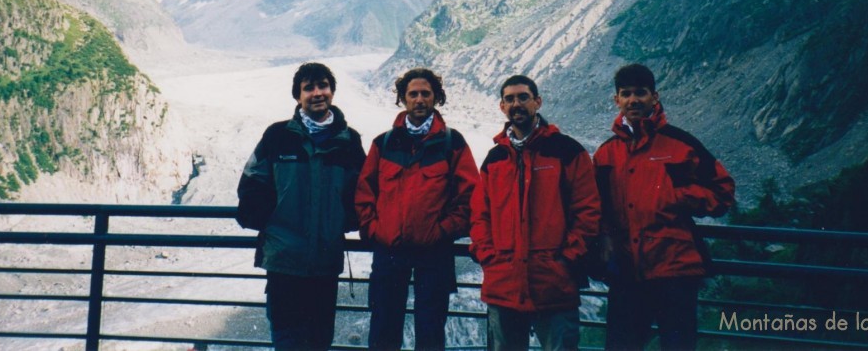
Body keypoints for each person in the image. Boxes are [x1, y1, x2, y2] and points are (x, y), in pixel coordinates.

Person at [592, 63, 735, 351]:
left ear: (654, 97)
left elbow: (723, 193)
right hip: (628, 271)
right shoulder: (606, 153)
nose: (634, 100)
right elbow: (597, 207)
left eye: (641, 93)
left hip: (676, 270)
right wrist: (604, 237)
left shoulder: (681, 144)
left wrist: (678, 196)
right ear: (616, 100)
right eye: (626, 93)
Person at [235, 62, 366, 351]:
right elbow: (252, 183)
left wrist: (341, 222)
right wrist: (272, 223)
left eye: (323, 85)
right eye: (309, 88)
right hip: (284, 260)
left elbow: (363, 191)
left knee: (319, 340)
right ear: (298, 97)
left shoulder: (349, 141)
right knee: (287, 339)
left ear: (332, 92)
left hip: (325, 260)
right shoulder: (278, 136)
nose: (317, 93)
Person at [470, 74, 601, 351]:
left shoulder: (567, 151)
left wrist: (567, 258)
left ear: (537, 102)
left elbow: (588, 211)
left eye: (523, 97)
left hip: (554, 283)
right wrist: (487, 256)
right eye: (510, 99)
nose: (516, 104)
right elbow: (480, 215)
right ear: (502, 106)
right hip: (504, 282)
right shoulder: (495, 158)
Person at [356, 68, 480, 351]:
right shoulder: (384, 143)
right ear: (403, 98)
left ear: (436, 97)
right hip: (389, 251)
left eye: (426, 93)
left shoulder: (452, 143)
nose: (420, 99)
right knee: (383, 331)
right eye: (413, 94)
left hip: (434, 252)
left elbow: (470, 196)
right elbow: (364, 193)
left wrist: (444, 230)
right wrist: (374, 229)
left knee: (430, 331)